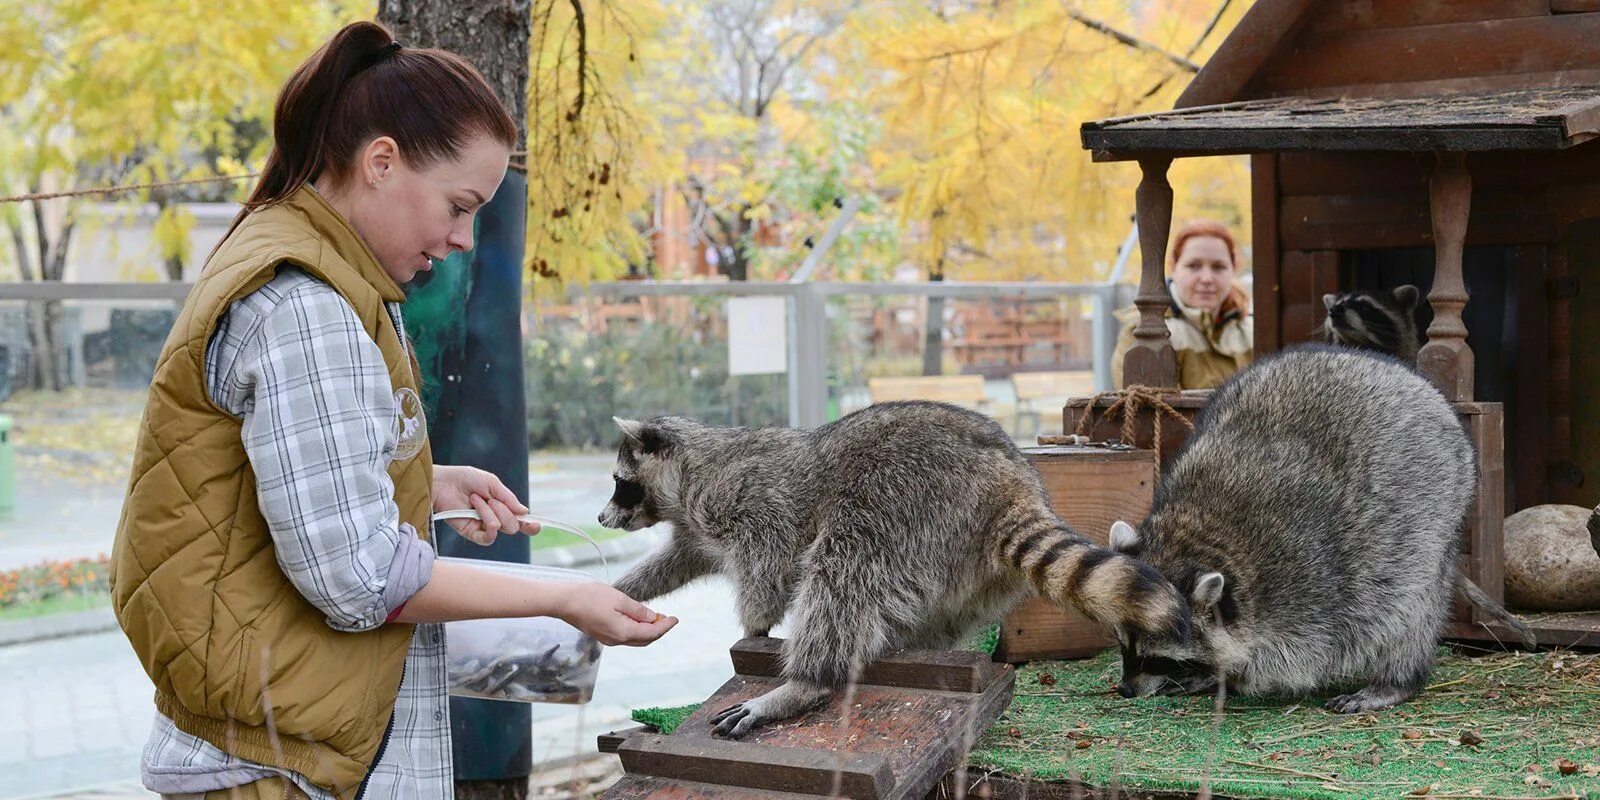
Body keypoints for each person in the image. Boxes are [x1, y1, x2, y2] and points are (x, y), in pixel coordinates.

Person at [108, 21, 677, 800]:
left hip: (280, 743)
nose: (466, 238)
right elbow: (361, 578)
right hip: (277, 770)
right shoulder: (307, 305)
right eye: (458, 204)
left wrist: (427, 481)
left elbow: (272, 478)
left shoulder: (323, 271)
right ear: (381, 162)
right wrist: (565, 596)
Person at [1111, 219, 1253, 390]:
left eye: (1218, 267)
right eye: (1194, 266)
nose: (1207, 278)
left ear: (1233, 270)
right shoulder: (1144, 333)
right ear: (1174, 268)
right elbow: (1146, 412)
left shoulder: (1254, 332)